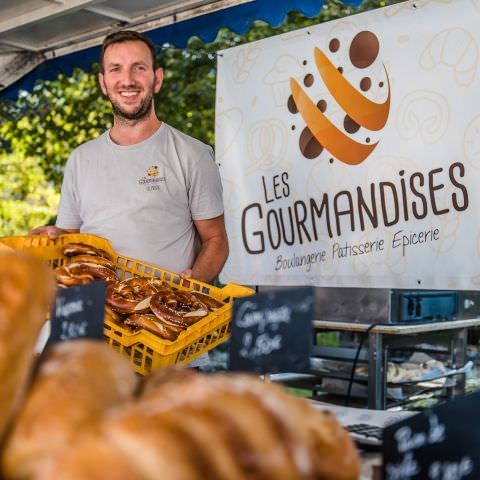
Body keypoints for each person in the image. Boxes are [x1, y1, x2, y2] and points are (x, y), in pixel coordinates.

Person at [31, 30, 228, 284]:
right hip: (99, 313)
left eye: (139, 68)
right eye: (116, 69)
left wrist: (194, 284)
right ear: (103, 83)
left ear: (157, 79)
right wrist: (50, 237)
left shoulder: (193, 154)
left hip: (165, 314)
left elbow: (216, 239)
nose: (127, 80)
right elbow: (71, 239)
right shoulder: (80, 159)